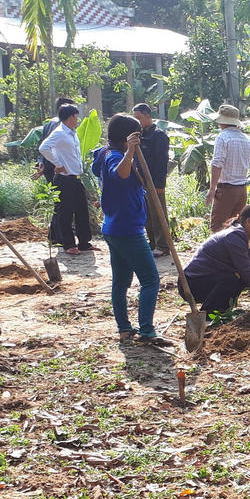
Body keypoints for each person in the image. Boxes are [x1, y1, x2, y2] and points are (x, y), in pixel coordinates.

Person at [91, 114, 171, 346]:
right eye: (136, 135)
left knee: (121, 281)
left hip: (114, 227)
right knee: (150, 279)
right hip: (127, 230)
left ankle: (125, 329)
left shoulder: (105, 153)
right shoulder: (113, 156)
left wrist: (132, 151)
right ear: (126, 137)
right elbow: (120, 173)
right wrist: (130, 152)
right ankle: (146, 330)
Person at [183, 205, 250, 316]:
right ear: (248, 222)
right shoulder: (234, 237)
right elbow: (246, 271)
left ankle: (220, 311)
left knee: (240, 278)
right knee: (234, 279)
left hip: (209, 279)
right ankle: (210, 314)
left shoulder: (247, 239)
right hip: (191, 284)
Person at [38, 103, 97, 255]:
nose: (77, 120)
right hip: (64, 179)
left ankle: (84, 242)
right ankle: (68, 244)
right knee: (66, 212)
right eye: (76, 117)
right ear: (70, 117)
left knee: (82, 210)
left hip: (76, 178)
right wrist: (58, 163)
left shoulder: (72, 132)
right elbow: (44, 148)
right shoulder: (59, 132)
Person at [132, 102, 172, 257]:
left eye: (139, 118)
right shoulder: (138, 135)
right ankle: (153, 243)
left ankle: (163, 245)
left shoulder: (159, 135)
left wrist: (160, 184)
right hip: (141, 181)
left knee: (158, 213)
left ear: (148, 116)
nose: (137, 122)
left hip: (154, 182)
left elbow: (162, 161)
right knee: (147, 214)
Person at [206, 104, 250, 232]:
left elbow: (217, 164)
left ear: (222, 122)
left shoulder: (222, 137)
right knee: (235, 227)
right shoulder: (246, 139)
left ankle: (219, 252)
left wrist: (212, 189)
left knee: (218, 228)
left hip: (227, 189)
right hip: (242, 189)